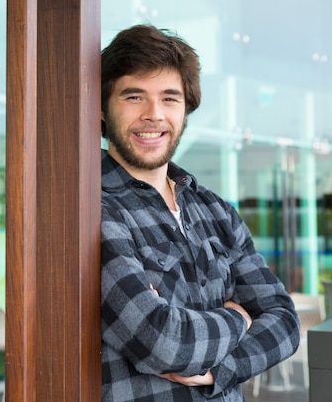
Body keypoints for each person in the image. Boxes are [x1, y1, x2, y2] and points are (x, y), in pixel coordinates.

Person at [100, 24, 301, 402]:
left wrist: (220, 371)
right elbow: (162, 339)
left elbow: (285, 321)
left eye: (170, 98)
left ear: (186, 109)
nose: (153, 114)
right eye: (134, 96)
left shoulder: (215, 210)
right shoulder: (94, 208)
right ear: (103, 107)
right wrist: (240, 318)